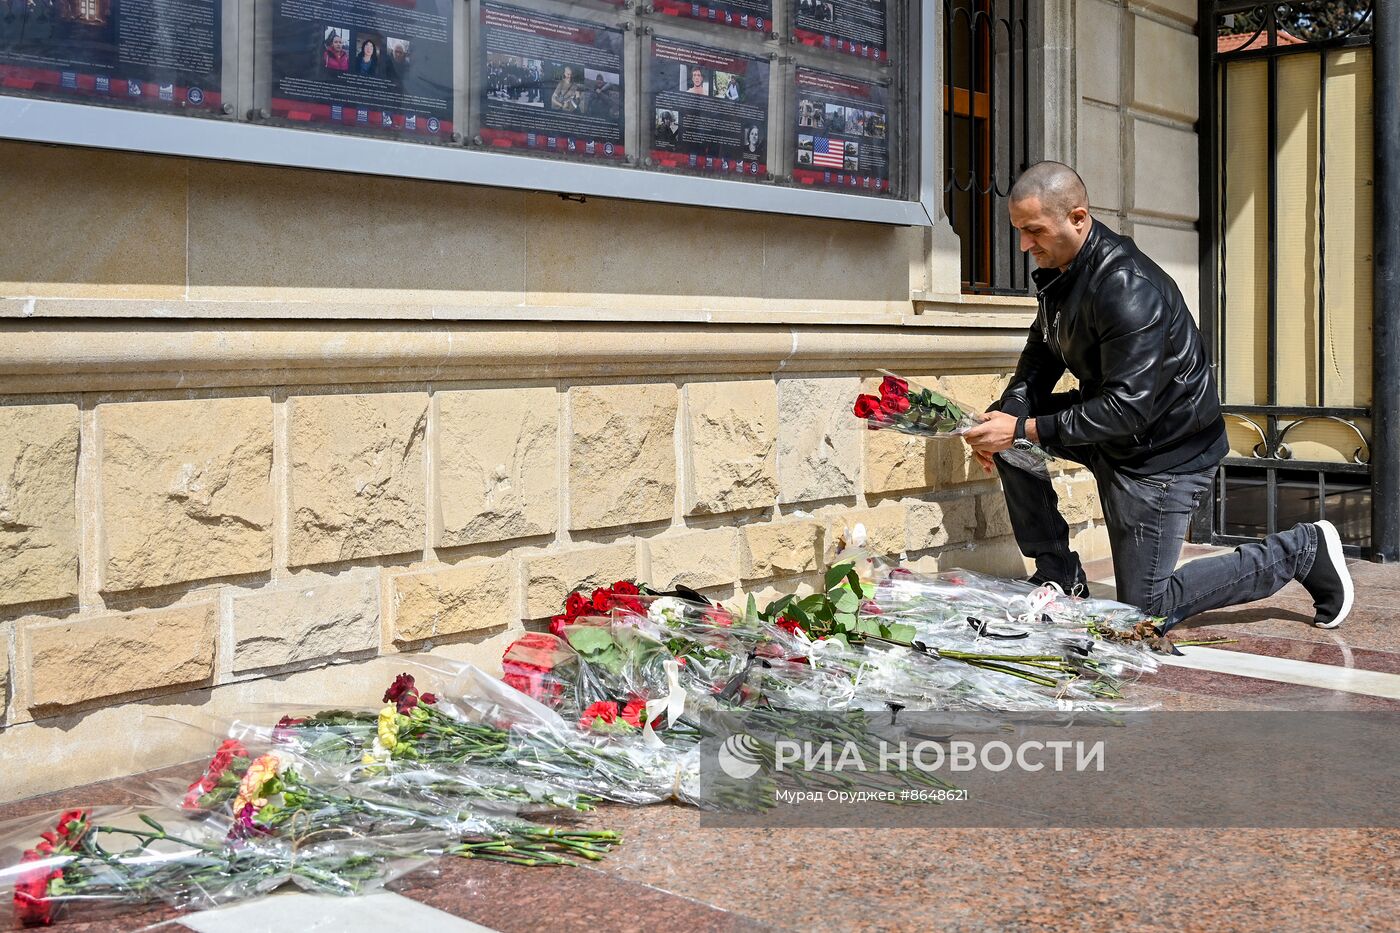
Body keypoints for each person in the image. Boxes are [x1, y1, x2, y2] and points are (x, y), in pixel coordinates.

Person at [962, 161, 1354, 632]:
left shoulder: (1127, 287)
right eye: (1019, 232)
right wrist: (1009, 417)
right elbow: (1044, 353)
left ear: (1079, 218)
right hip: (1117, 431)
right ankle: (1059, 576)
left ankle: (1302, 549)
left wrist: (1023, 428)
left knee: (1147, 609)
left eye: (1034, 231)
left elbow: (1127, 408)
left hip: (1163, 455)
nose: (1025, 245)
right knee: (1006, 429)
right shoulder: (1063, 272)